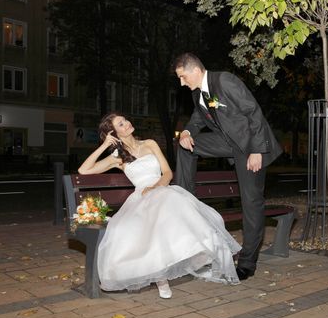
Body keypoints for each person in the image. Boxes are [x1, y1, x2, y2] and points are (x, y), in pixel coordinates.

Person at [78, 112, 241, 298]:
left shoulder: (150, 144)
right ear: (115, 134)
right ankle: (160, 278)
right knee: (132, 228)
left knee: (172, 211)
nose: (127, 123)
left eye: (125, 120)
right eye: (121, 124)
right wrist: (105, 145)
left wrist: (156, 187)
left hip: (162, 189)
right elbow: (84, 170)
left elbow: (167, 173)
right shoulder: (117, 157)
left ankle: (199, 255)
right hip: (141, 197)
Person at [173, 53, 283, 281]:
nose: (182, 83)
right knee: (185, 146)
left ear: (195, 70)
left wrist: (257, 150)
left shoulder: (224, 81)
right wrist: (186, 132)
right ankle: (185, 197)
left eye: (183, 77)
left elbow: (254, 112)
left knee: (251, 203)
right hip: (228, 142)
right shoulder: (198, 94)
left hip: (250, 146)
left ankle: (247, 263)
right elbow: (197, 120)